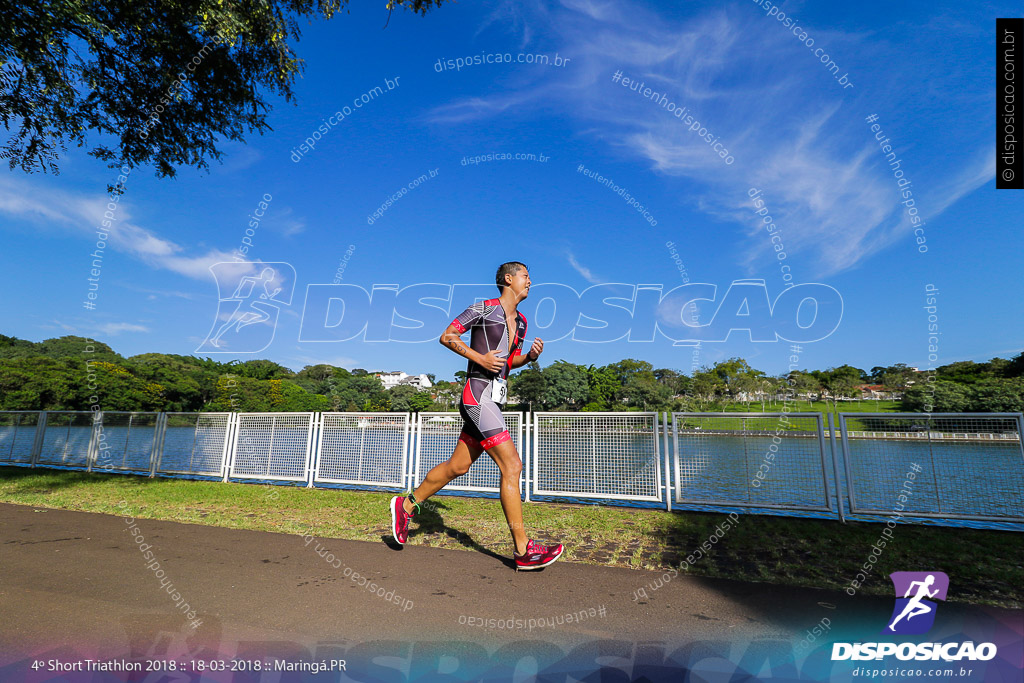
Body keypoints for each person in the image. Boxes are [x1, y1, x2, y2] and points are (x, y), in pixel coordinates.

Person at [389, 261, 563, 570]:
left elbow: (508, 363)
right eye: (525, 275)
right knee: (513, 465)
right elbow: (447, 336)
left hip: (493, 401)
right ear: (508, 279)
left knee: (458, 466)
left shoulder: (521, 322)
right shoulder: (483, 309)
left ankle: (407, 504)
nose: (530, 281)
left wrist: (529, 358)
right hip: (477, 396)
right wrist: (478, 356)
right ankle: (523, 550)